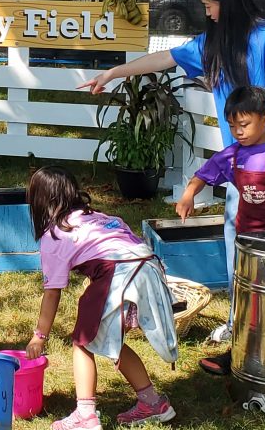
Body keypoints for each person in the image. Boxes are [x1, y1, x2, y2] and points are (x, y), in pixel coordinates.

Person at [81, 0, 265, 349]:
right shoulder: (212, 45)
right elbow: (163, 59)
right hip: (240, 170)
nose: (208, 13)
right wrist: (115, 73)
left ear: (229, 2)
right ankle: (243, 324)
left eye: (210, 5)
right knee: (239, 244)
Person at [176, 86, 265, 375]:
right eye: (232, 126)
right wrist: (188, 195)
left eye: (244, 125)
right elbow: (201, 176)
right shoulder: (231, 155)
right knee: (247, 301)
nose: (238, 132)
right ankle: (241, 356)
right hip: (246, 241)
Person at [25, 166, 178, 429]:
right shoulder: (98, 217)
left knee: (83, 341)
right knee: (108, 339)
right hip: (148, 266)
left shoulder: (55, 235)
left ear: (39, 201)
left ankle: (85, 415)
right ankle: (153, 403)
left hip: (119, 272)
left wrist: (39, 336)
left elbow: (52, 293)